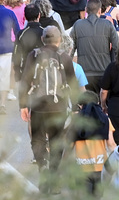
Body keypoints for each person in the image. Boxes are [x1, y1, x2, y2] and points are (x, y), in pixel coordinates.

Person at [19, 26, 76, 169]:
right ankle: (53, 178)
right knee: (56, 141)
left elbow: (25, 81)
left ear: (42, 39)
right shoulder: (65, 57)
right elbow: (73, 84)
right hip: (59, 106)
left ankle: (42, 165)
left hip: (38, 105)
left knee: (37, 139)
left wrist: (23, 105)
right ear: (60, 40)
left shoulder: (34, 55)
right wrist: (75, 107)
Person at [71, 0, 119, 93]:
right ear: (100, 10)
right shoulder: (108, 25)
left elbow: (70, 48)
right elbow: (117, 47)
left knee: (87, 105)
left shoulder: (78, 25)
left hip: (84, 74)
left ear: (86, 10)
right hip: (104, 72)